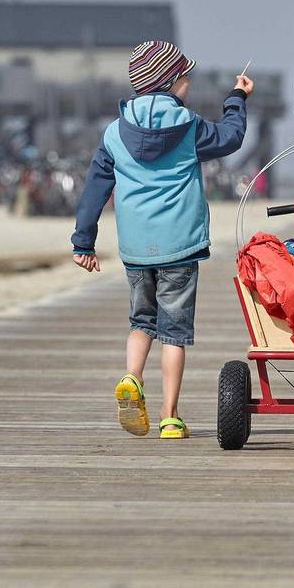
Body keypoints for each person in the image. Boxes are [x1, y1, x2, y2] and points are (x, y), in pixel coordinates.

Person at [71, 41, 252, 440]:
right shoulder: (188, 126)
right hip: (179, 246)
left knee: (142, 322)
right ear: (170, 82)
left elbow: (95, 189)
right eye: (185, 77)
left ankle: (132, 378)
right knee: (174, 332)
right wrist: (237, 99)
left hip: (136, 248)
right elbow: (231, 138)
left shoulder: (114, 133)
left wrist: (83, 242)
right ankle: (170, 417)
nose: (189, 83)